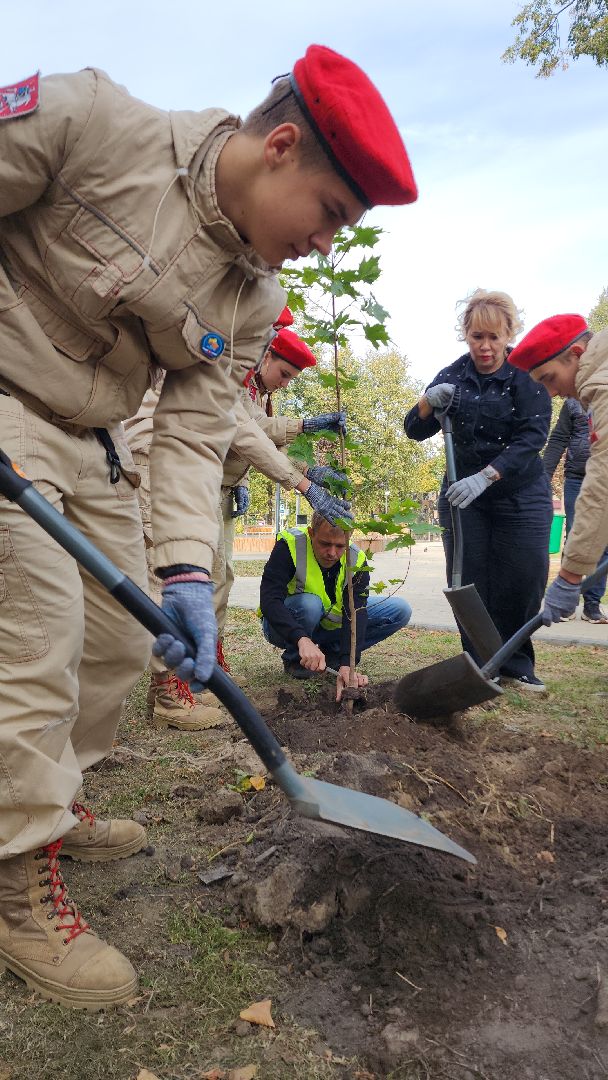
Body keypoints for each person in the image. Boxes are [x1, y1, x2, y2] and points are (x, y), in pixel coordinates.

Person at [0, 50, 417, 1009]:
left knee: (111, 651)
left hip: (98, 436)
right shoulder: (95, 123)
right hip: (11, 403)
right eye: (332, 215)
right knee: (39, 637)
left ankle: (49, 804)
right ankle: (15, 879)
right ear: (279, 148)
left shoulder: (253, 297)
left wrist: (186, 573)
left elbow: (190, 433)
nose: (323, 243)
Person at [125, 322, 350, 729]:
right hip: (160, 461)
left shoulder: (236, 365)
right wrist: (302, 478)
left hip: (191, 468)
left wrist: (281, 474)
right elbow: (241, 431)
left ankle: (196, 671)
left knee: (213, 576)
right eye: (282, 371)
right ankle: (167, 694)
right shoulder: (214, 351)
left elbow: (244, 433)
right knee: (174, 579)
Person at [404, 289, 553, 691]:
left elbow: (532, 436)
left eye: (494, 337)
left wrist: (486, 477)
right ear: (465, 336)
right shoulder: (453, 375)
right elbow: (415, 430)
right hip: (463, 500)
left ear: (509, 334)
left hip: (520, 493)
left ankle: (517, 663)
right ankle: (481, 663)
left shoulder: (526, 375)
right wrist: (426, 404)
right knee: (470, 581)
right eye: (476, 338)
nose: (485, 347)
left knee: (522, 579)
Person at [507, 314, 608, 625]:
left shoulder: (602, 386)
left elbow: (603, 482)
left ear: (576, 352)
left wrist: (569, 574)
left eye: (549, 378)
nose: (550, 393)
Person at [259, 512, 412, 699]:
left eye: (340, 546)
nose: (332, 553)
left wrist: (348, 663)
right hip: (286, 627)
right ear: (311, 533)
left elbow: (356, 612)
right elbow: (269, 599)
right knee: (310, 604)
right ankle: (296, 660)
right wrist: (301, 638)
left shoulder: (356, 559)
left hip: (326, 624)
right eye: (325, 544)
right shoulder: (290, 546)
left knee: (399, 610)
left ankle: (331, 656)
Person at [543, 396, 608, 623]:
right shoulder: (573, 402)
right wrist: (543, 477)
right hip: (576, 479)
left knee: (603, 543)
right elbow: (559, 438)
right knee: (574, 537)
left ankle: (592, 606)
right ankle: (568, 604)